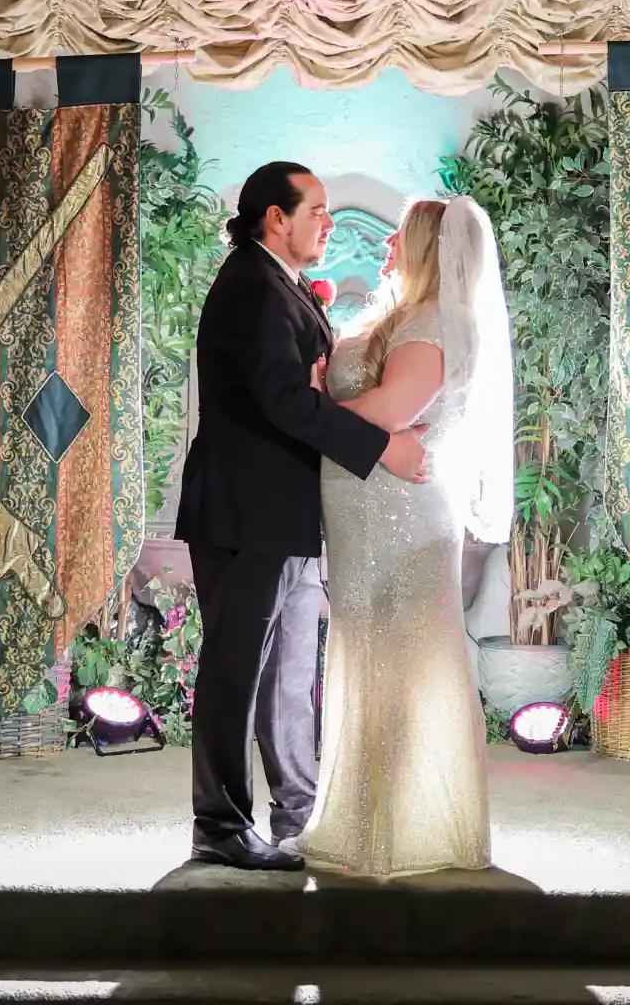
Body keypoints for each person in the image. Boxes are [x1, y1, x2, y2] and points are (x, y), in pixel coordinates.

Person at [174, 161, 431, 873]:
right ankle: (219, 825)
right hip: (241, 512)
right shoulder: (253, 287)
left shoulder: (278, 287)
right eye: (315, 210)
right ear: (274, 219)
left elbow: (300, 388)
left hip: (279, 513)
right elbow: (285, 402)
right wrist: (383, 447)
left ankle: (296, 809)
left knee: (287, 674)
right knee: (236, 670)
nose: (329, 221)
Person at [291, 196, 514, 877]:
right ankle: (365, 818)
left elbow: (389, 411)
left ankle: (397, 830)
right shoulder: (404, 316)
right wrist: (328, 393)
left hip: (398, 515)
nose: (387, 241)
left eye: (399, 234)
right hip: (365, 510)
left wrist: (308, 408)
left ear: (425, 247)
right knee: (369, 654)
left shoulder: (433, 323)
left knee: (399, 664)